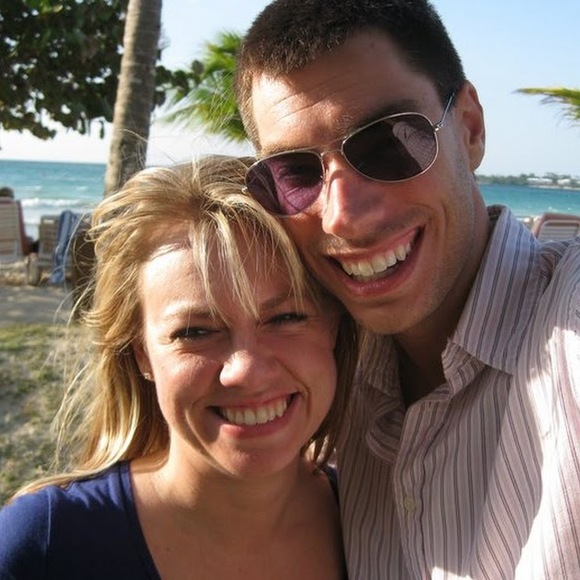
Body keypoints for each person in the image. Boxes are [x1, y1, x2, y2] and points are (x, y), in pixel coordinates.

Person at [233, 1, 580, 578]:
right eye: (296, 173)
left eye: (390, 142)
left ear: (470, 127)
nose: (343, 217)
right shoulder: (314, 376)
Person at [0, 155, 357, 579]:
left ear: (333, 327)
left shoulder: (378, 524)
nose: (246, 370)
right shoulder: (46, 546)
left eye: (286, 318)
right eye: (195, 331)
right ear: (141, 353)